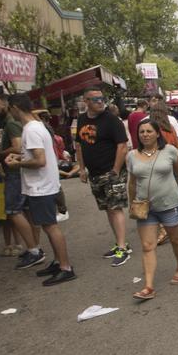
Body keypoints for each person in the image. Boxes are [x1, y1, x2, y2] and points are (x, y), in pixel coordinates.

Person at [4, 95, 75, 286]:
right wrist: (20, 158)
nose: (9, 113)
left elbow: (39, 160)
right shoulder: (36, 126)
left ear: (15, 108)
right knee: (47, 226)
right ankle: (59, 262)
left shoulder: (31, 129)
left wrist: (17, 164)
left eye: (9, 109)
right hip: (43, 184)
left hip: (41, 186)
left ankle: (66, 267)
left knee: (50, 226)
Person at [128, 118, 178, 300]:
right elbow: (132, 183)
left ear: (157, 133)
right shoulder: (132, 155)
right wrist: (132, 203)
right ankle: (148, 286)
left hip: (169, 204)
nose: (145, 135)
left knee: (176, 240)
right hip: (145, 208)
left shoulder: (169, 151)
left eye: (149, 131)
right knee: (148, 246)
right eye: (142, 132)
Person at [75, 85, 133, 267]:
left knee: (115, 208)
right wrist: (82, 168)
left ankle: (123, 249)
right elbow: (79, 145)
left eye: (102, 99)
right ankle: (120, 244)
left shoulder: (111, 120)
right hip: (95, 173)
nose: (100, 102)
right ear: (86, 102)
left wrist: (115, 170)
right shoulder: (82, 119)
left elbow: (122, 146)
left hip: (112, 171)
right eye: (95, 99)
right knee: (108, 208)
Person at [0, 93, 35, 260]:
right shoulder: (12, 124)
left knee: (13, 211)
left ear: (9, 107)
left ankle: (33, 249)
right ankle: (34, 247)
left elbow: (17, 148)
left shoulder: (12, 124)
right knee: (24, 211)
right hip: (17, 172)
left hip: (14, 173)